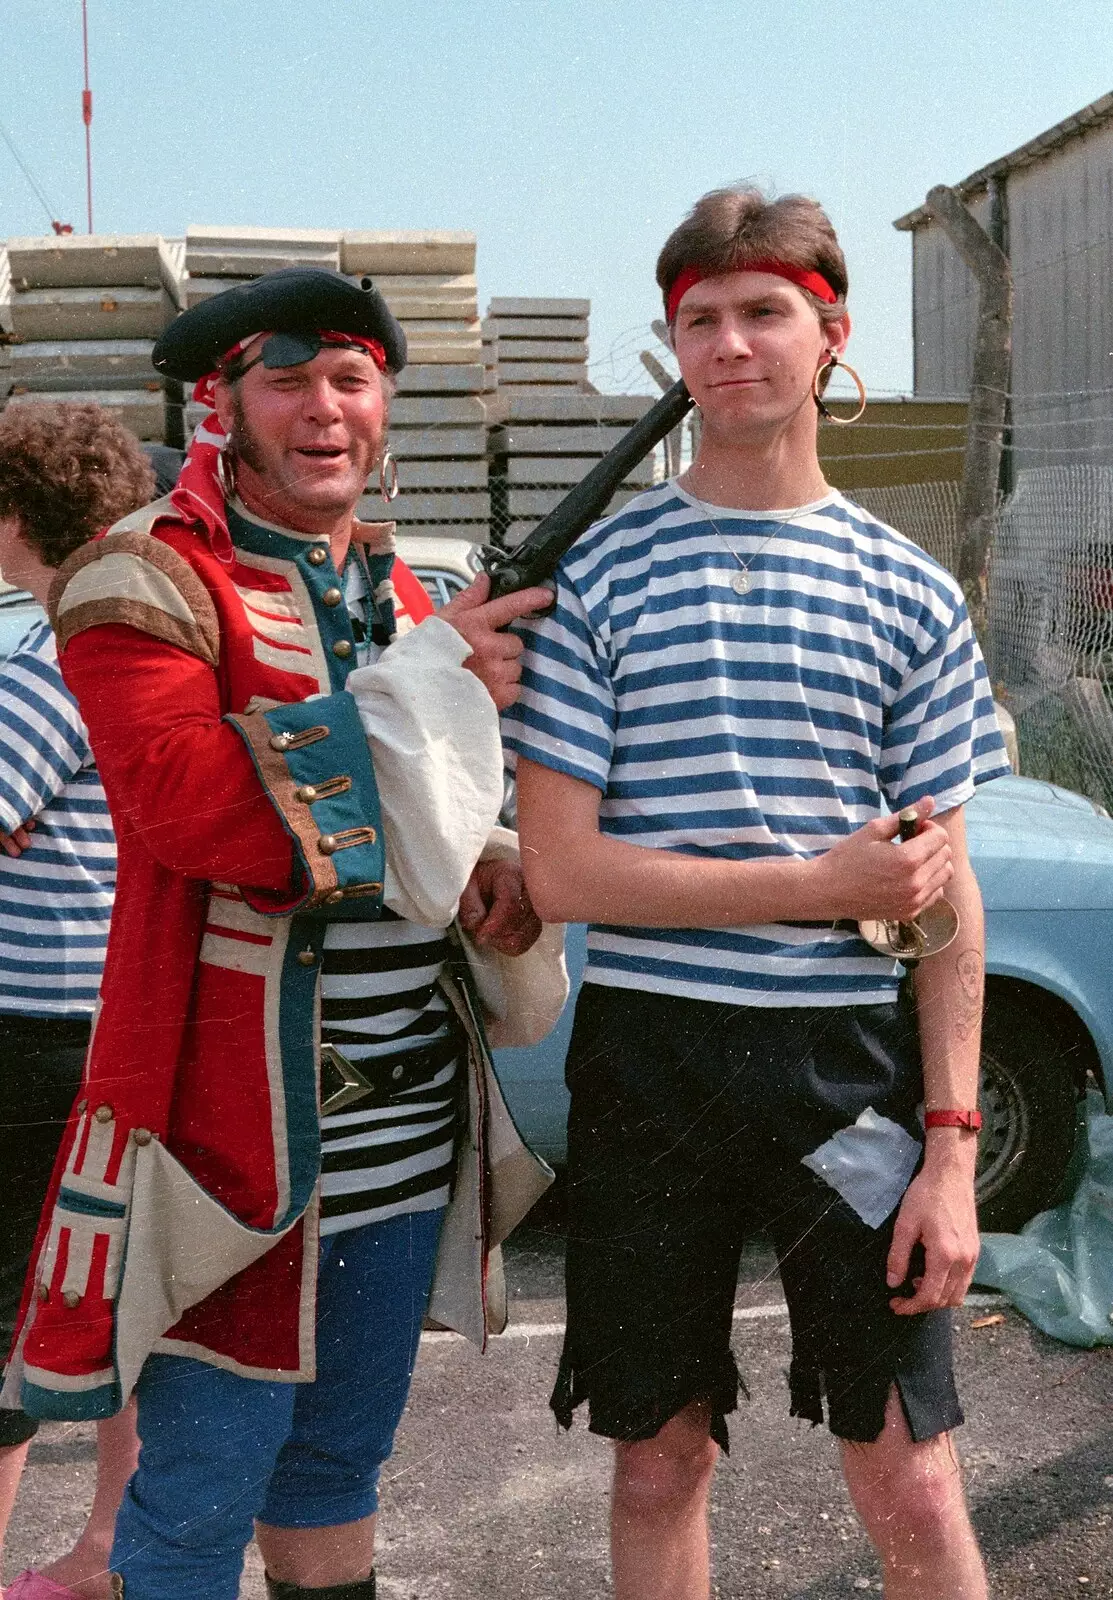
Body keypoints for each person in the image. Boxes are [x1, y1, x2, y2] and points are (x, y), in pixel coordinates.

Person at [1, 269, 556, 1600]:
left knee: (334, 1479)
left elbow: (436, 800)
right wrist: (421, 697)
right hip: (229, 1148)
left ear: (384, 409)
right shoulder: (138, 582)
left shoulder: (400, 593)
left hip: (402, 1132)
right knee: (193, 1502)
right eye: (288, 375)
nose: (325, 405)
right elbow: (192, 808)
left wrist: (491, 864)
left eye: (352, 377)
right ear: (222, 404)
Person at [503, 186, 1012, 1600]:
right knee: (659, 1460)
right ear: (672, 349)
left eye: (763, 311)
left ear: (829, 332)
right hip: (649, 1070)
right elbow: (562, 871)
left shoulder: (907, 592)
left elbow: (940, 897)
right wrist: (815, 882)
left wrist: (955, 1152)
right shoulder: (597, 580)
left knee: (907, 1468)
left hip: (847, 1084)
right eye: (699, 320)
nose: (730, 344)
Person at [0, 403, 155, 1600]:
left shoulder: (47, 665)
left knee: (11, 1323)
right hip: (109, 1024)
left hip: (28, 1037)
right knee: (112, 1312)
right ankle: (109, 1550)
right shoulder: (135, 643)